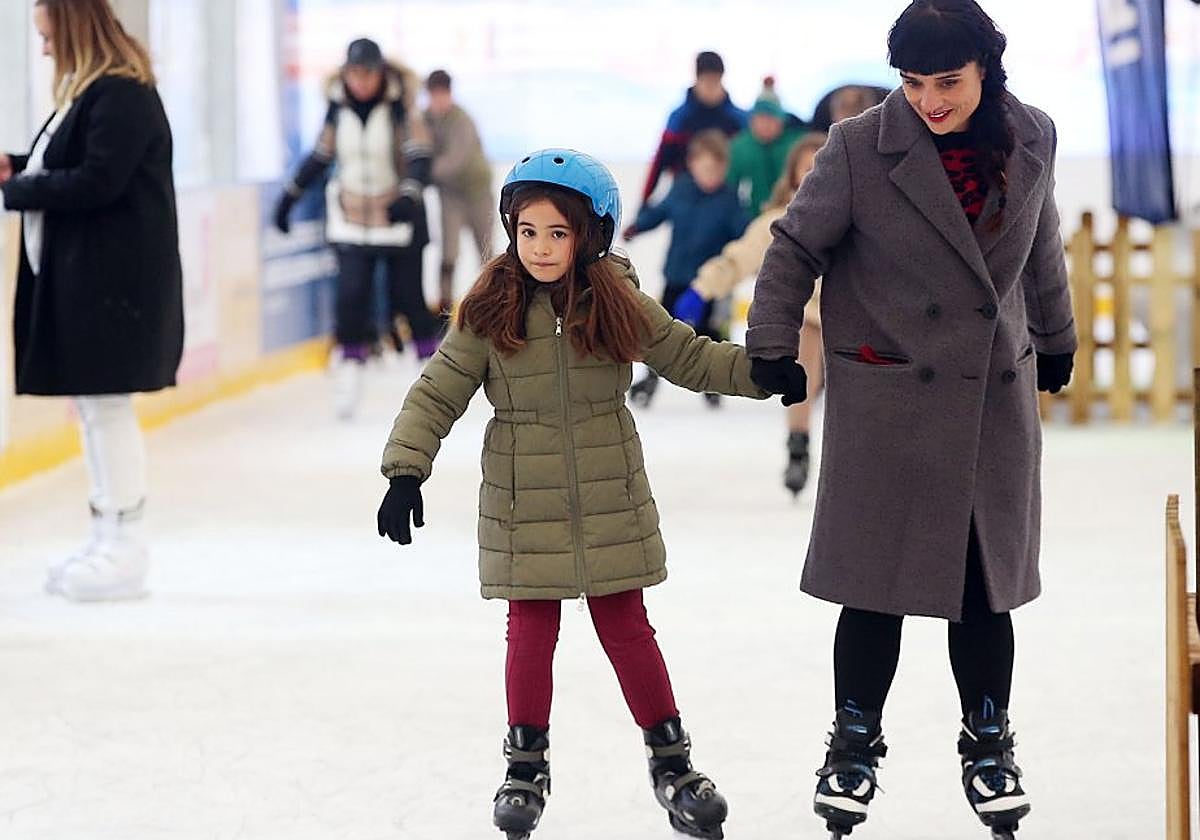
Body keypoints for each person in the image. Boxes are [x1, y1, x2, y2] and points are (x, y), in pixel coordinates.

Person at [375, 149, 779, 840]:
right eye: (527, 231)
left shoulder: (615, 299)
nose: (539, 247)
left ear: (590, 234)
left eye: (557, 233)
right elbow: (438, 390)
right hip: (520, 495)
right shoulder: (489, 306)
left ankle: (673, 763)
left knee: (627, 627)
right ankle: (525, 766)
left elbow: (685, 354)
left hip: (609, 491)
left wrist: (759, 373)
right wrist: (405, 469)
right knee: (530, 630)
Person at [745, 1, 1076, 836]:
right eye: (914, 82)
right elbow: (793, 246)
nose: (930, 99)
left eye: (948, 83)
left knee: (982, 589)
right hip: (889, 396)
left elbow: (1042, 246)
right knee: (873, 589)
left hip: (989, 397)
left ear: (985, 70)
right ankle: (854, 743)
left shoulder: (1032, 135)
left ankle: (988, 740)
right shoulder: (859, 147)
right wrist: (773, 342)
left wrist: (1057, 335)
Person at [0, 0, 183, 602]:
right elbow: (72, 164)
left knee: (107, 411)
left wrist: (16, 188)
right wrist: (19, 168)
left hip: (115, 291)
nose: (45, 48)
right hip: (92, 288)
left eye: (47, 34)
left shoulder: (121, 95)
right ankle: (107, 532)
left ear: (71, 25)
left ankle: (126, 545)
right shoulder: (90, 95)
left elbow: (98, 180)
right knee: (95, 410)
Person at [273, 37, 441, 420]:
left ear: (380, 73)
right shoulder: (337, 109)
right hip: (351, 221)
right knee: (349, 300)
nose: (360, 82)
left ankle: (434, 389)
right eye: (354, 74)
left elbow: (420, 156)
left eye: (367, 73)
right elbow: (320, 155)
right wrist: (290, 196)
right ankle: (348, 380)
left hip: (397, 220)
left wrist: (409, 194)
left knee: (409, 300)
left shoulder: (401, 107)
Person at [673, 132, 828, 495]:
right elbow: (737, 259)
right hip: (807, 319)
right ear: (792, 177)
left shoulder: (859, 221)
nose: (815, 176)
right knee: (806, 344)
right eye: (807, 169)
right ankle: (798, 445)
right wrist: (701, 289)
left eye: (822, 166)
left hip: (851, 324)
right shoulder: (780, 223)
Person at [623, 131, 749, 408]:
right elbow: (659, 212)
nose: (711, 175)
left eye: (717, 170)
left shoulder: (729, 200)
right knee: (663, 329)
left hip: (710, 283)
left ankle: (716, 384)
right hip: (677, 275)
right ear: (692, 164)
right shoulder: (681, 189)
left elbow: (744, 234)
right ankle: (651, 378)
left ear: (725, 168)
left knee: (710, 333)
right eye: (706, 168)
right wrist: (638, 226)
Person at [632, 50, 746, 212]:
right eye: (707, 81)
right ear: (697, 79)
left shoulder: (737, 119)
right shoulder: (680, 118)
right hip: (685, 199)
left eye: (716, 81)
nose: (711, 88)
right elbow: (660, 162)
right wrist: (644, 200)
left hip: (723, 200)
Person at [424, 68, 494, 315]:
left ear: (450, 94)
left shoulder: (462, 120)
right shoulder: (425, 120)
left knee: (486, 255)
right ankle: (443, 309)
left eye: (442, 94)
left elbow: (455, 160)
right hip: (450, 195)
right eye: (434, 94)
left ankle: (494, 306)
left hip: (477, 193)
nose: (438, 100)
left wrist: (422, 172)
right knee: (448, 255)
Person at [726, 77, 809, 215]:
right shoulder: (738, 148)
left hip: (789, 215)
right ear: (752, 120)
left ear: (781, 121)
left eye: (771, 119)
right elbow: (729, 186)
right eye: (760, 118)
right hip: (749, 218)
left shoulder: (796, 145)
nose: (765, 125)